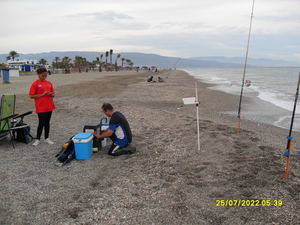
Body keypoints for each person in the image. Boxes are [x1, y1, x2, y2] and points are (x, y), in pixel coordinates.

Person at [29, 67, 56, 146]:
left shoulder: (49, 83)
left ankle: (47, 138)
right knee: (41, 123)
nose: (44, 77)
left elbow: (53, 94)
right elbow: (31, 96)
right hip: (40, 107)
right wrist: (42, 94)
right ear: (38, 74)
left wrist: (51, 94)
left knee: (47, 123)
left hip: (50, 106)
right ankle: (37, 139)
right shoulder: (35, 84)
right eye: (43, 75)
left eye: (46, 75)